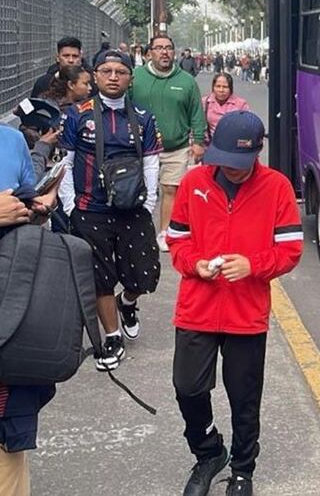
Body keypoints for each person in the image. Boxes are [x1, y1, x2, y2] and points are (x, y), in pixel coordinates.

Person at [167, 111, 302, 496]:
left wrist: (252, 266)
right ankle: (209, 452)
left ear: (257, 153)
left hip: (247, 313)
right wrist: (197, 265)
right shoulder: (194, 183)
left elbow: (291, 251)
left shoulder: (276, 187)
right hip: (197, 307)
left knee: (245, 398)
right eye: (224, 160)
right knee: (187, 388)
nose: (232, 169)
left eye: (241, 164)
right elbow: (177, 241)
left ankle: (243, 470)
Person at [59, 49, 163, 371]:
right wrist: (70, 205)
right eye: (106, 71)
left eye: (120, 71)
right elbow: (66, 162)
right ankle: (112, 335)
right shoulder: (78, 115)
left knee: (144, 275)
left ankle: (127, 303)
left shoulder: (144, 117)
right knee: (100, 277)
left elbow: (150, 162)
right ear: (95, 76)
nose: (114, 77)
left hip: (132, 209)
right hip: (91, 208)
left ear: (130, 78)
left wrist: (148, 203)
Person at [0, 126, 59, 496]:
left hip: (9, 312)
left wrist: (36, 206)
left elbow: (24, 211)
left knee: (9, 458)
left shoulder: (10, 139)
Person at [129, 34, 207, 253]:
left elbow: (196, 113)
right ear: (149, 53)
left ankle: (164, 232)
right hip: (141, 149)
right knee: (138, 192)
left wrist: (198, 141)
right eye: (159, 48)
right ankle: (137, 233)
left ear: (175, 52)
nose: (164, 52)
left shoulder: (186, 81)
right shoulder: (135, 78)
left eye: (168, 48)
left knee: (171, 190)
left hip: (177, 148)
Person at [203, 74, 249, 141]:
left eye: (225, 87)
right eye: (218, 86)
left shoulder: (241, 104)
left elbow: (248, 127)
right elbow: (197, 125)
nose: (221, 90)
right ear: (213, 87)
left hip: (233, 145)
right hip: (210, 144)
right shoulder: (205, 102)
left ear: (231, 88)